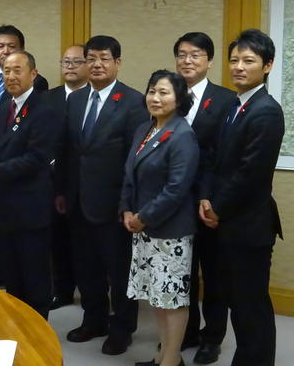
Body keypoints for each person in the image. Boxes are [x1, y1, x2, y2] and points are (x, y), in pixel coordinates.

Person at [54, 35, 147, 355]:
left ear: (117, 62)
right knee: (86, 266)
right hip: (78, 200)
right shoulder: (76, 100)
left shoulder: (134, 102)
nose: (96, 64)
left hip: (114, 206)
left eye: (104, 58)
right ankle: (94, 319)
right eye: (90, 58)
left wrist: (128, 205)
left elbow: (135, 161)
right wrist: (63, 191)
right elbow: (68, 151)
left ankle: (122, 327)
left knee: (119, 270)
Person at [200, 29, 284, 366]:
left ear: (267, 65)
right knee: (235, 299)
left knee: (251, 305)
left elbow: (251, 174)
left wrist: (217, 206)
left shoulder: (266, 111)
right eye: (234, 60)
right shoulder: (233, 106)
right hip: (224, 220)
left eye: (248, 61)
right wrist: (206, 198)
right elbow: (213, 158)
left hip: (248, 225)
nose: (238, 67)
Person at [120, 70, 199, 366]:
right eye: (152, 91)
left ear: (179, 99)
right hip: (143, 228)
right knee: (156, 295)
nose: (155, 97)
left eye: (164, 92)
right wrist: (127, 209)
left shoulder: (182, 134)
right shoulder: (144, 129)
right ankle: (163, 354)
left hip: (170, 232)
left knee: (172, 299)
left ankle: (171, 359)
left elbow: (176, 189)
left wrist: (144, 217)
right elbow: (128, 174)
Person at [0, 51, 56, 319]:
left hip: (30, 207)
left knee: (34, 276)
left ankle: (38, 331)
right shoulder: (6, 105)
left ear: (33, 74)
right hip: (4, 206)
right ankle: (17, 325)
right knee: (12, 273)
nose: (11, 77)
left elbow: (36, 158)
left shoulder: (44, 107)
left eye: (17, 70)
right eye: (7, 71)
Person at [173, 32, 235, 363]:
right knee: (182, 272)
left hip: (207, 202)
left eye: (195, 55)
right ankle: (185, 332)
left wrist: (210, 198)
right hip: (174, 203)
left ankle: (212, 338)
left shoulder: (225, 100)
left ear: (209, 60)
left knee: (214, 274)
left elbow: (223, 158)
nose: (187, 61)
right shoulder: (165, 95)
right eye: (182, 55)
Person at [46, 44, 88, 309]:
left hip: (83, 184)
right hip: (50, 181)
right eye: (66, 62)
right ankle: (61, 291)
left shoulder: (93, 98)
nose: (70, 66)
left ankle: (89, 293)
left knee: (83, 245)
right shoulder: (47, 97)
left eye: (77, 61)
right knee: (56, 242)